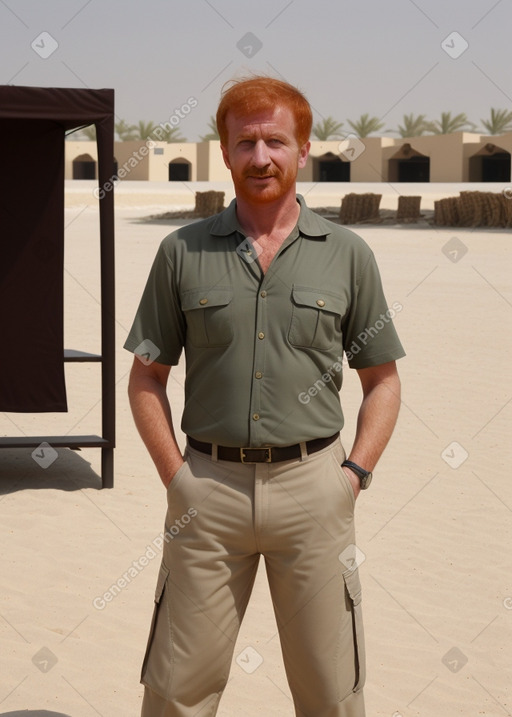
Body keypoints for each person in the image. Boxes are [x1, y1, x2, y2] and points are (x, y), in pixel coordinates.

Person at [125, 75, 405, 717]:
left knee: (332, 690)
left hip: (316, 489)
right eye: (245, 142)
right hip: (207, 495)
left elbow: (382, 380)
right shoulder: (181, 252)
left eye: (275, 141)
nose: (260, 157)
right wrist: (177, 477)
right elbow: (145, 376)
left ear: (303, 150)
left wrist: (353, 474)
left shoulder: (348, 255)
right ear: (223, 152)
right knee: (175, 689)